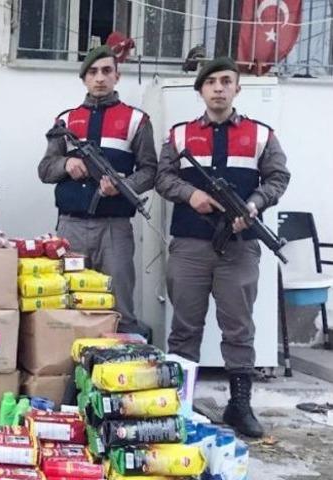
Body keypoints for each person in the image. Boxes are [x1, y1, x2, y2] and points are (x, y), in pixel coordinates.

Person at [155, 57, 290, 438]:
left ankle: (239, 405)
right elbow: (163, 177)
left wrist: (255, 205)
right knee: (184, 328)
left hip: (240, 247)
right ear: (200, 90)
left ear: (237, 88)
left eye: (226, 81)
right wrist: (191, 194)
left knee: (239, 328)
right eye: (211, 81)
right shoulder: (180, 135)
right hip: (190, 245)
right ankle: (178, 403)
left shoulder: (260, 134)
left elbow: (278, 177)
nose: (218, 88)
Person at [38, 45, 157, 338]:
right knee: (69, 302)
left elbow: (150, 171)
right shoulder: (66, 120)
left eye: (106, 71)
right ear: (84, 78)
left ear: (117, 76)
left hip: (114, 228)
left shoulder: (136, 120)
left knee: (119, 305)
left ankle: (122, 362)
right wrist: (67, 164)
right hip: (71, 226)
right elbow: (45, 169)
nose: (100, 78)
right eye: (92, 72)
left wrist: (123, 186)